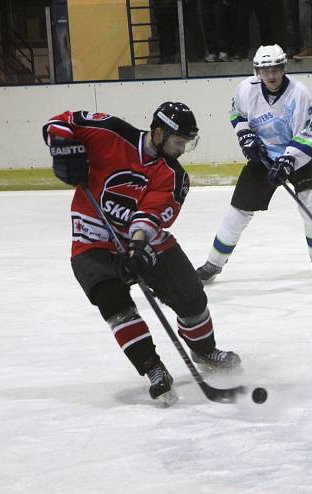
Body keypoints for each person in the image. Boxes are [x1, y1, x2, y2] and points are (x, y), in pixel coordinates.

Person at [43, 102, 240, 406]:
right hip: (91, 239)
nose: (183, 150)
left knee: (192, 298)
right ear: (159, 133)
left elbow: (149, 216)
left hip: (141, 241)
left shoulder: (174, 176)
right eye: (179, 142)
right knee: (113, 302)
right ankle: (154, 369)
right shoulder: (110, 133)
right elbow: (60, 122)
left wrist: (136, 248)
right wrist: (65, 151)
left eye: (187, 144)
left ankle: (202, 350)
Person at [196, 44, 312, 283]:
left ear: (283, 68)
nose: (271, 75)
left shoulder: (300, 93)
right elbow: (236, 114)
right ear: (257, 71)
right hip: (264, 157)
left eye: (276, 69)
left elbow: (308, 135)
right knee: (239, 209)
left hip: (299, 157)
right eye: (265, 70)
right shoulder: (246, 89)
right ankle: (213, 263)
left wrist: (288, 160)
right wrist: (245, 135)